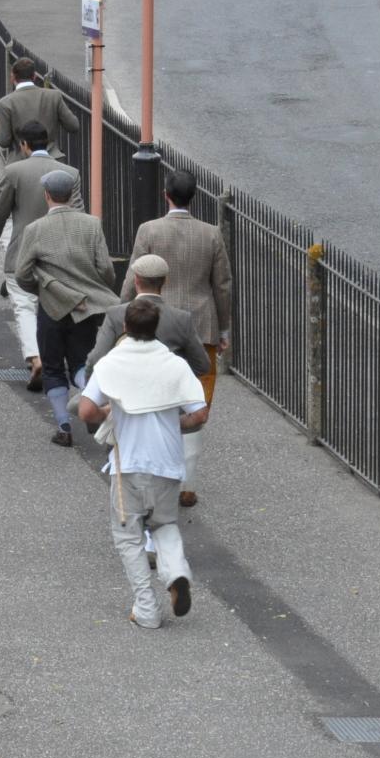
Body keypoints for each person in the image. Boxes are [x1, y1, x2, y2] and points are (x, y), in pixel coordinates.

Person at [77, 296, 209, 629]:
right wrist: (171, 424)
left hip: (129, 463)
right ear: (156, 329)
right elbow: (199, 412)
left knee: (129, 536)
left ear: (125, 327)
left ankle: (147, 609)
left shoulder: (111, 363)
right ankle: (176, 572)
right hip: (167, 461)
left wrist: (111, 412)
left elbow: (87, 411)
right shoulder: (174, 365)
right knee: (164, 525)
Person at [120, 171, 234, 507]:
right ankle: (187, 484)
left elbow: (133, 273)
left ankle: (156, 473)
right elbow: (222, 285)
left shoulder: (149, 230)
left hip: (157, 326)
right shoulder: (211, 234)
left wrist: (121, 313)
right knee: (195, 402)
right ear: (193, 196)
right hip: (202, 328)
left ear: (166, 194)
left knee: (156, 399)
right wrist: (224, 329)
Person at [11, 169, 117, 447]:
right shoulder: (91, 224)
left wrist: (43, 289)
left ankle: (64, 426)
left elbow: (22, 273)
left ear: (47, 195)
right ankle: (93, 405)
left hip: (52, 308)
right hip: (86, 307)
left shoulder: (34, 230)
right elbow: (105, 268)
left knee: (53, 366)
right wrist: (99, 288)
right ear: (72, 195)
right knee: (83, 360)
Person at [0, 121, 76, 392]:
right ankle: (55, 357)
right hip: (59, 252)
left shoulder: (14, 171)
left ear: (23, 145)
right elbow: (77, 212)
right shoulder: (69, 173)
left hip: (22, 249)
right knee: (53, 305)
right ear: (46, 142)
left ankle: (35, 358)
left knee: (23, 305)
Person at [0, 58, 81, 164]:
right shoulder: (54, 96)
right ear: (34, 76)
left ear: (13, 77)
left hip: (21, 163)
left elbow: (3, 141)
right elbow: (73, 125)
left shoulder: (5, 103)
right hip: (52, 160)